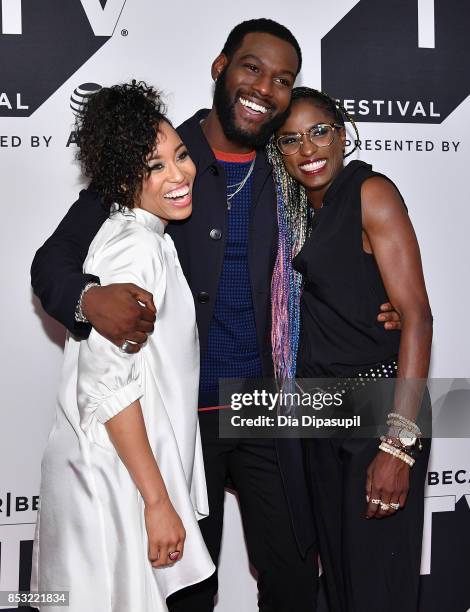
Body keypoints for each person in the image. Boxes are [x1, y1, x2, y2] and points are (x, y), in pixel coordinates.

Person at [30, 20, 400, 612]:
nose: (265, 88)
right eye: (252, 67)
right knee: (187, 585)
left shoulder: (289, 169)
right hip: (179, 419)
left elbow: (338, 251)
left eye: (284, 79)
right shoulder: (157, 161)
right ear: (220, 68)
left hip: (265, 407)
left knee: (294, 576)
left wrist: (374, 307)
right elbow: (54, 260)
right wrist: (88, 299)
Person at [30, 81, 214, 612]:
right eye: (155, 167)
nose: (179, 175)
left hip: (117, 468)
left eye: (180, 155)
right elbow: (108, 386)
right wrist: (157, 501)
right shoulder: (135, 247)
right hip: (112, 477)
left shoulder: (147, 236)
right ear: (122, 177)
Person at [267, 87, 433, 612]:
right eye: (290, 140)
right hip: (322, 412)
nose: (308, 149)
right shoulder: (297, 213)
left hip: (379, 411)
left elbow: (418, 318)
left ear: (341, 133)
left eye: (319, 131)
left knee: (375, 587)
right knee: (339, 583)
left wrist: (397, 445)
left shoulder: (370, 192)